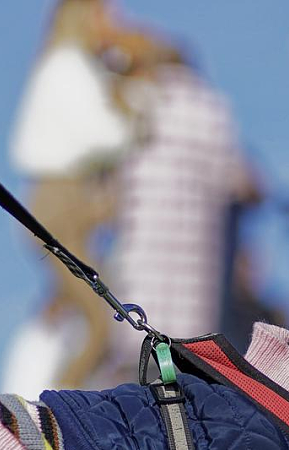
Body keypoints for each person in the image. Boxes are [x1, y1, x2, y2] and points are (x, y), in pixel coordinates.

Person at [6, 0, 163, 391]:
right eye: (104, 14)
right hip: (60, 202)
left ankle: (59, 403)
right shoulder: (67, 66)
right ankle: (54, 412)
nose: (113, 23)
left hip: (71, 202)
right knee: (97, 320)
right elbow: (103, 136)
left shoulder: (79, 67)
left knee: (85, 319)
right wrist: (137, 98)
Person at [109, 45, 260, 369]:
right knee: (187, 351)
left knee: (138, 346)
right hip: (198, 252)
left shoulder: (139, 101)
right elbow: (236, 179)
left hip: (145, 243)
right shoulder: (211, 108)